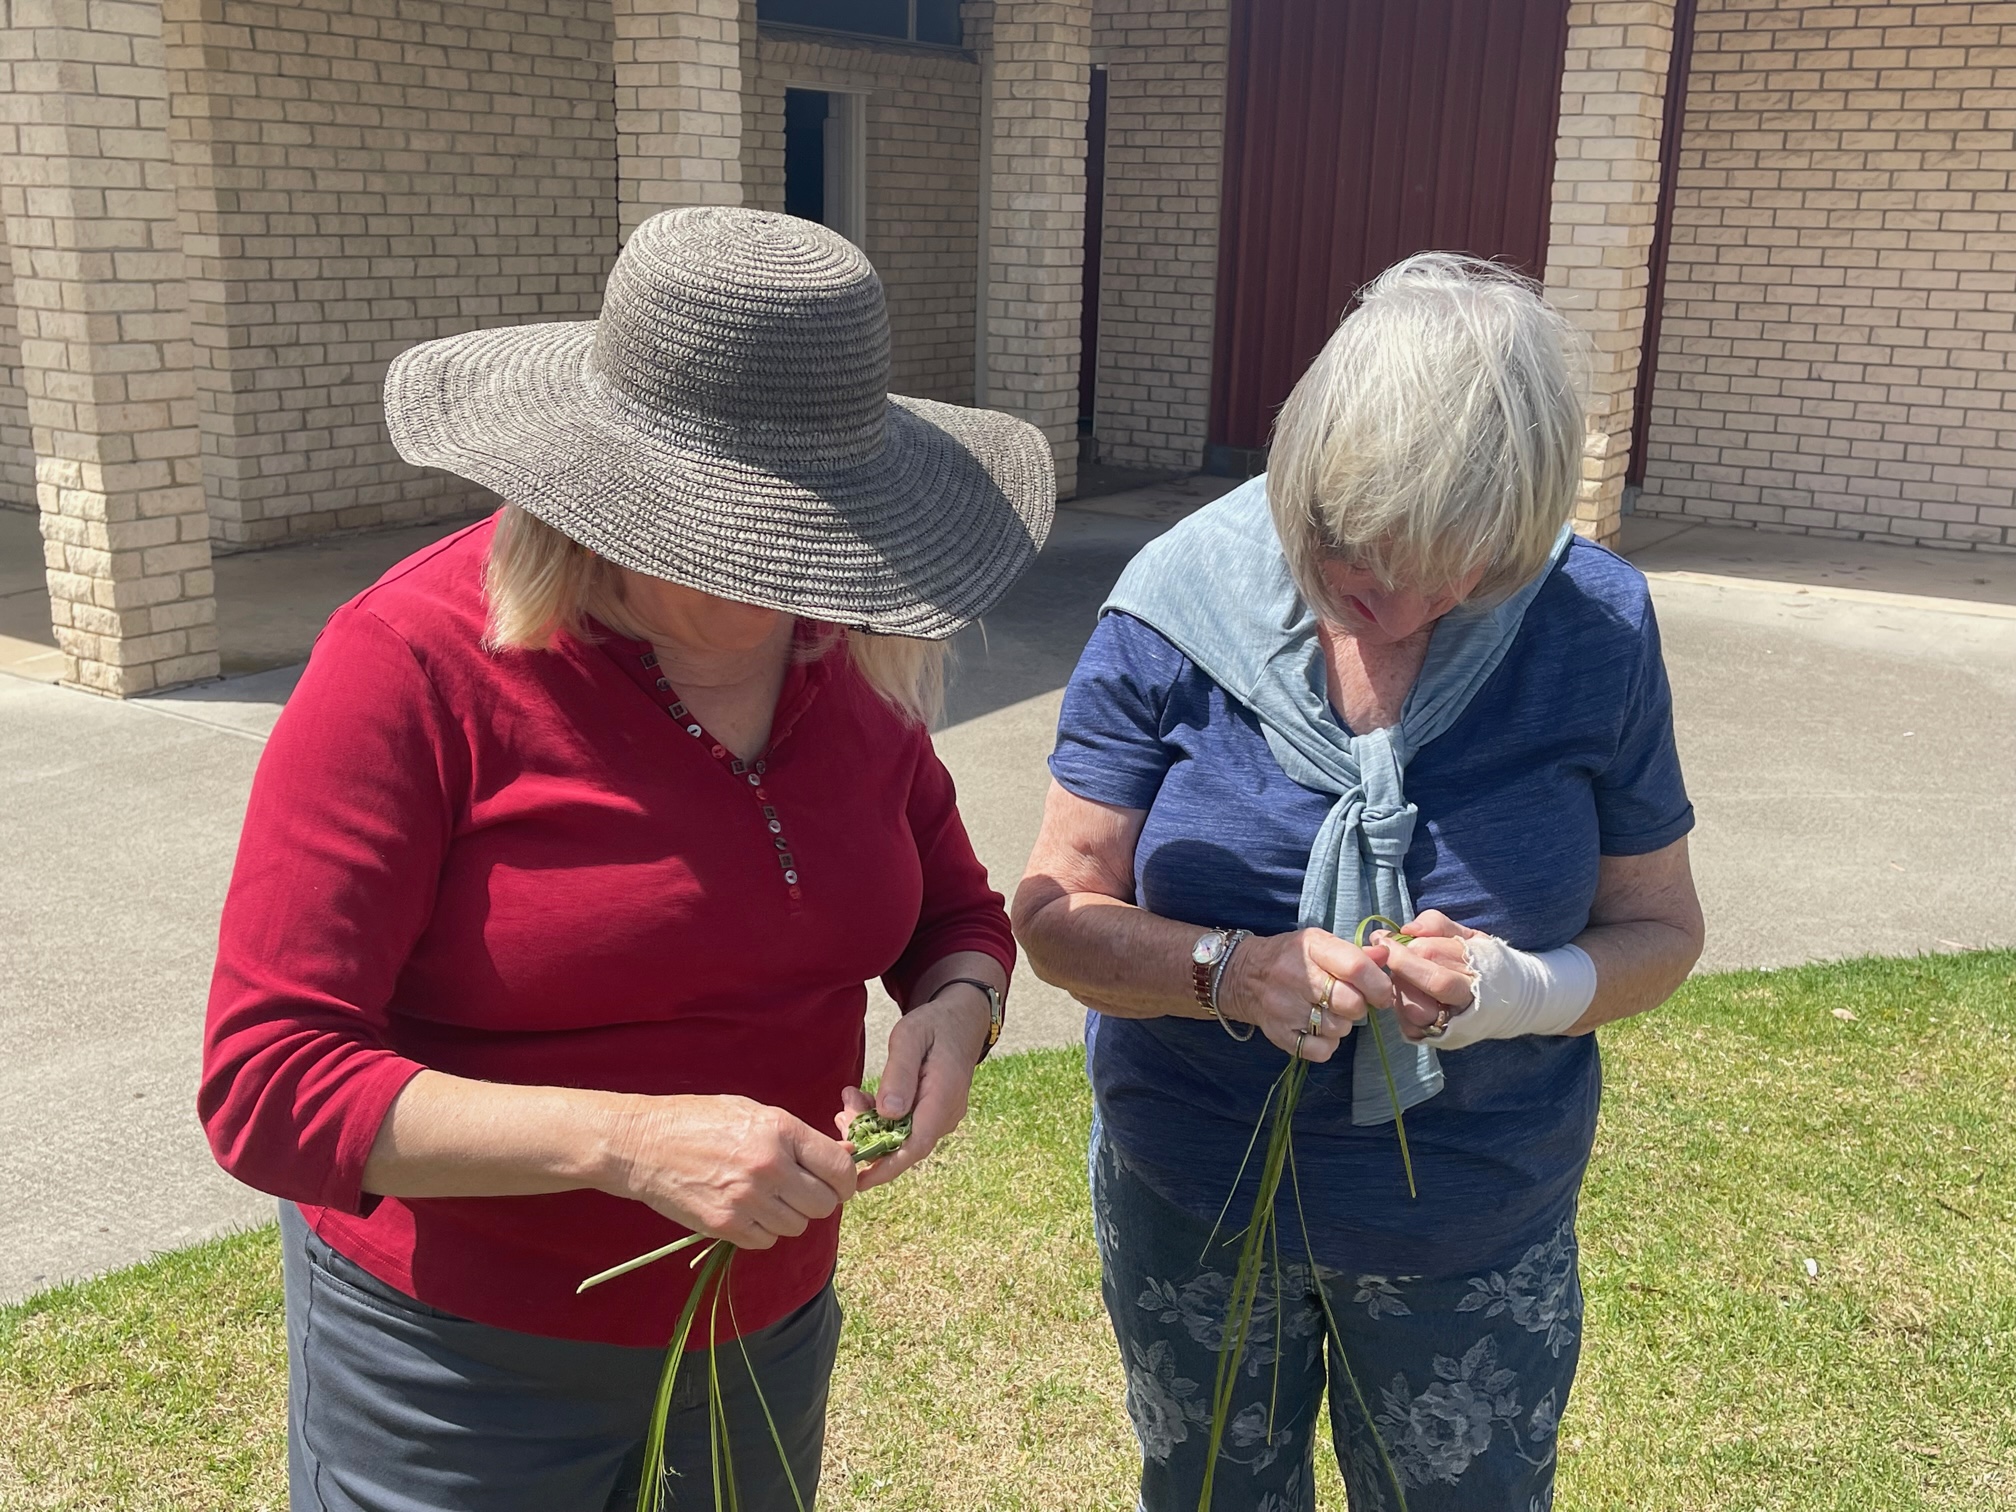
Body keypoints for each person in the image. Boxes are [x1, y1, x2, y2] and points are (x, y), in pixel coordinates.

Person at [199, 208, 1054, 1512]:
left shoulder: (853, 659)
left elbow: (952, 906)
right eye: (749, 533)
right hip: (459, 1372)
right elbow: (268, 1084)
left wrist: (959, 1006)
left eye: (828, 529)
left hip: (763, 1335)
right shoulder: (411, 666)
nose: (797, 580)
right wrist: (624, 1145)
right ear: (607, 493)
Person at [1015, 253, 1703, 1511]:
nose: (1415, 605)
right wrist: (1228, 969)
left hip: (1472, 1220)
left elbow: (1660, 929)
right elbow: (1058, 919)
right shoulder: (1174, 607)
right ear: (1304, 483)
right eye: (1365, 560)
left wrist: (1511, 987)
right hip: (1200, 1198)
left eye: (1476, 571)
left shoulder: (1593, 623)